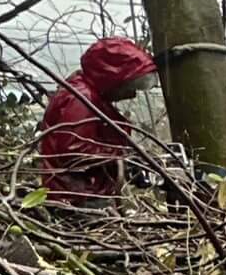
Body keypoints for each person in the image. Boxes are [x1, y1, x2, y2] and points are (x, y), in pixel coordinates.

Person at [37, 37, 157, 205]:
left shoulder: (91, 95)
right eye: (129, 86)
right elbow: (74, 150)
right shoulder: (80, 98)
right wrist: (124, 156)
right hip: (78, 197)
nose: (131, 94)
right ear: (112, 78)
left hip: (86, 191)